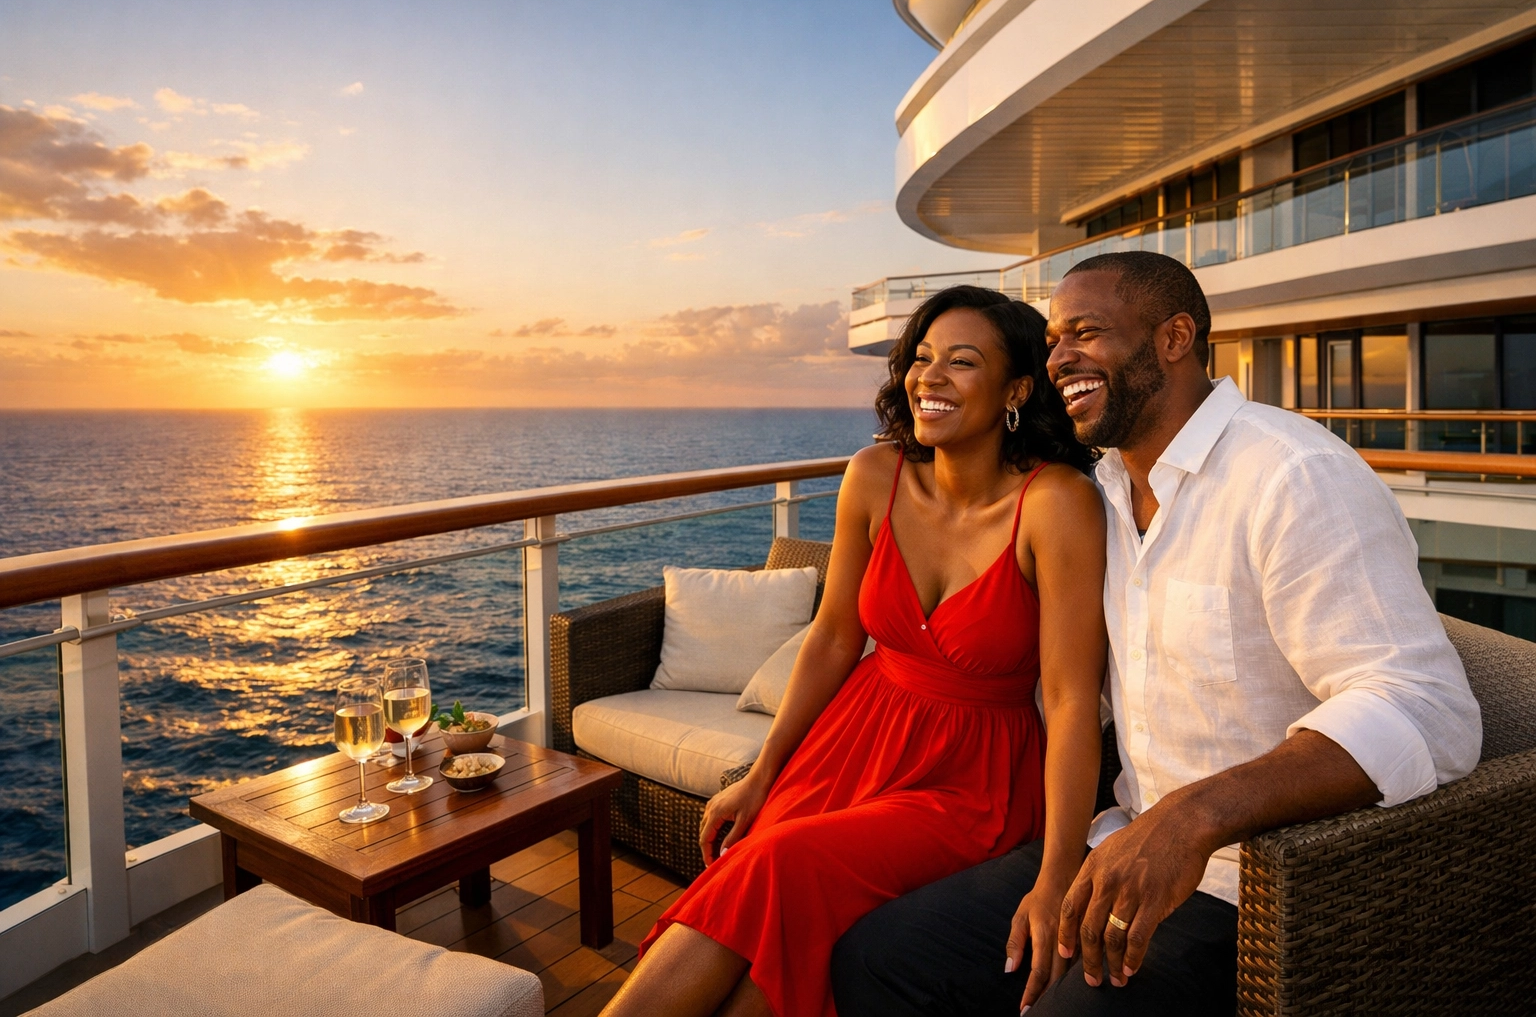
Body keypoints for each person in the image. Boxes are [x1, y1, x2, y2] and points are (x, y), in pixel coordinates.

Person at [830, 251, 1483, 1016]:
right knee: (876, 959)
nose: (1058, 358)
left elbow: (1428, 709)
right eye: (1053, 340)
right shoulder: (1102, 495)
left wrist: (1193, 815)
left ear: (1174, 339)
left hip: (1258, 889)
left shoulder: (1292, 474)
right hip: (1116, 847)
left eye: (1086, 332)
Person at [599, 286, 1109, 1017]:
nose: (930, 377)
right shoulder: (874, 475)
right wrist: (762, 773)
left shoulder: (1057, 502)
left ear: (1017, 390)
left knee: (777, 864)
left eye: (962, 362)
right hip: (853, 739)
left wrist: (1056, 873)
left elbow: (1068, 698)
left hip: (974, 779)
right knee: (767, 920)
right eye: (922, 358)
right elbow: (835, 637)